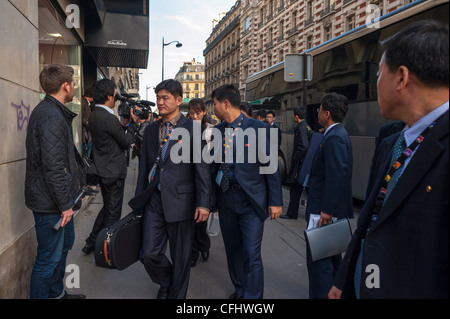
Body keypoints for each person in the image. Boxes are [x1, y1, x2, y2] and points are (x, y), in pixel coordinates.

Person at [329, 20, 449, 299]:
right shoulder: (394, 142)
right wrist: (345, 280)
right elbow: (370, 221)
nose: (376, 82)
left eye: (379, 73)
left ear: (402, 77)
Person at [132, 80, 211, 299]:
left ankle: (176, 296)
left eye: (165, 98)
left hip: (182, 202)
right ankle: (167, 282)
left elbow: (202, 169)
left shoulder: (193, 129)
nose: (160, 102)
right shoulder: (150, 130)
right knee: (148, 253)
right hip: (154, 201)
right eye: (158, 97)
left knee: (181, 258)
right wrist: (140, 201)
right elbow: (143, 169)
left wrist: (204, 203)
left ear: (178, 100)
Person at [212, 85, 283, 299]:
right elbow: (213, 167)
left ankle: (253, 298)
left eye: (214, 103)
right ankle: (240, 289)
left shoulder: (259, 128)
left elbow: (271, 167)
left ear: (225, 103)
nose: (213, 107)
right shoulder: (217, 131)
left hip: (251, 200)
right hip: (226, 199)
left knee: (251, 253)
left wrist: (275, 201)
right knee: (233, 251)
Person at [25, 64, 85, 299]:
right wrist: (64, 204)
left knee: (63, 248)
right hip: (52, 204)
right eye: (73, 84)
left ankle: (56, 294)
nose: (74, 88)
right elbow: (53, 166)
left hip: (56, 201)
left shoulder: (53, 112)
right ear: (65, 86)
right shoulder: (51, 116)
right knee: (47, 259)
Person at [305, 92, 354, 299]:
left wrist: (327, 210)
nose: (317, 113)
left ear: (326, 113)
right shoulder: (336, 134)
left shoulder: (334, 137)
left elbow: (335, 176)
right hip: (327, 211)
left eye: (319, 109)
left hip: (323, 213)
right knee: (332, 262)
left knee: (320, 265)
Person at [81, 79, 136, 255]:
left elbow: (112, 135)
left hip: (104, 171)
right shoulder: (108, 117)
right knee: (112, 215)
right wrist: (134, 124)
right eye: (114, 94)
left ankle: (91, 242)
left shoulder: (95, 115)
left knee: (107, 209)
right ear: (108, 96)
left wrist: (125, 124)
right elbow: (126, 142)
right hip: (113, 172)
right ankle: (106, 252)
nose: (115, 98)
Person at [187, 98, 212, 267]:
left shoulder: (211, 131)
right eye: (192, 112)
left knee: (200, 222)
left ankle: (204, 245)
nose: (195, 116)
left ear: (204, 112)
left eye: (198, 112)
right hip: (188, 180)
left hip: (204, 179)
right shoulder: (185, 128)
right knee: (190, 221)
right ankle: (193, 251)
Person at [282, 107, 311, 219]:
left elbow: (303, 146)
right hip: (302, 164)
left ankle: (292, 214)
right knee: (299, 189)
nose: (292, 117)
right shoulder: (306, 126)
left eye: (293, 115)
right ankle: (293, 213)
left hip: (299, 165)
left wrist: (296, 157)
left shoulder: (301, 127)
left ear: (296, 116)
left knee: (294, 189)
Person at [81, 87, 94, 158]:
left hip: (86, 133)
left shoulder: (85, 103)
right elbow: (82, 118)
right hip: (84, 133)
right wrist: (88, 122)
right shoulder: (83, 102)